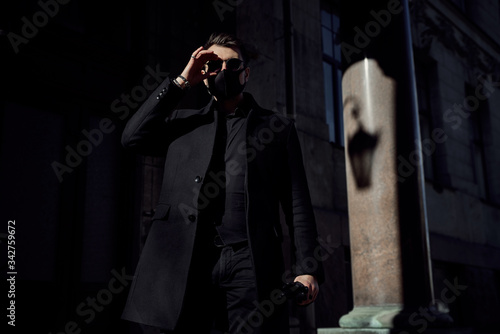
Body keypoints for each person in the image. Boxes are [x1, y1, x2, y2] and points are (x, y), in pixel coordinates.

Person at [121, 32, 323, 334]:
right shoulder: (181, 124)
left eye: (232, 64)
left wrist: (306, 268)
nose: (224, 71)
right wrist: (180, 82)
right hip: (186, 259)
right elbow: (132, 138)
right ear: (203, 75)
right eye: (214, 65)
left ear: (246, 72)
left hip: (249, 260)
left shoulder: (276, 128)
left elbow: (297, 202)